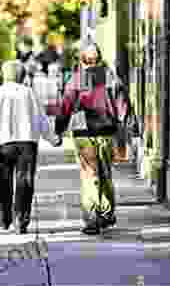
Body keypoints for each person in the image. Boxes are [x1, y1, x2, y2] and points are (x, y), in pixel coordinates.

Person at [55, 43, 129, 235]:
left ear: (82, 60)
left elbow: (66, 106)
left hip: (83, 133)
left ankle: (92, 218)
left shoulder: (77, 79)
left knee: (90, 176)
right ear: (100, 58)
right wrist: (130, 127)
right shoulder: (110, 77)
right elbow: (122, 105)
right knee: (105, 173)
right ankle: (106, 213)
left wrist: (59, 128)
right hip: (105, 131)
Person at [0, 60, 63, 234]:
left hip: (4, 143)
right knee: (24, 180)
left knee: (5, 179)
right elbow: (41, 119)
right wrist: (52, 139)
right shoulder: (29, 93)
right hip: (27, 143)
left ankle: (4, 216)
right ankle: (21, 218)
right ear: (21, 76)